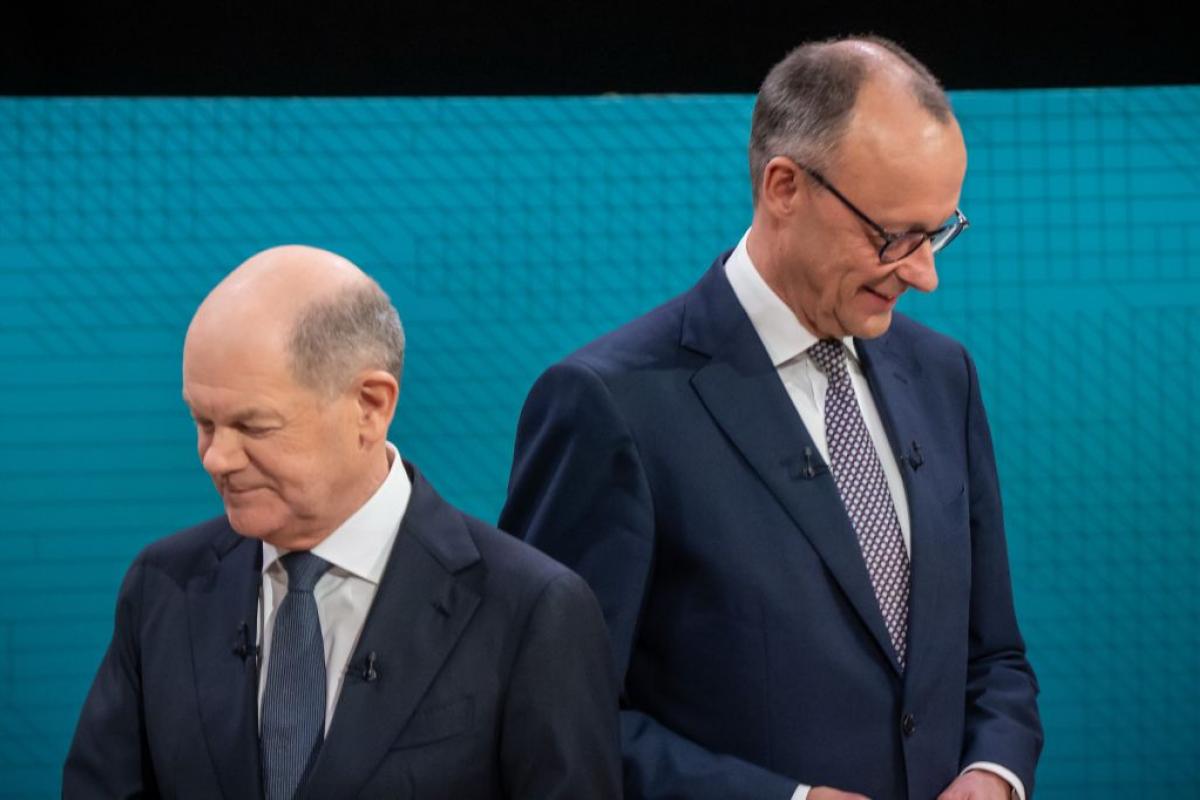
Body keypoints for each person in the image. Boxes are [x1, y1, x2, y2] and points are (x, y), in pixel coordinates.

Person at [501, 36, 1042, 800]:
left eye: (941, 230)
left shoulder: (943, 375)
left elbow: (995, 660)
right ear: (784, 187)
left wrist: (994, 773)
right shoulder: (609, 405)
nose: (926, 273)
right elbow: (552, 715)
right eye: (895, 237)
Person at [64, 245, 620, 799]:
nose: (216, 458)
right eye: (203, 422)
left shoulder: (529, 610)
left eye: (252, 426)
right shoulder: (164, 588)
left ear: (370, 406)